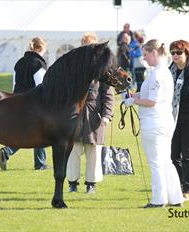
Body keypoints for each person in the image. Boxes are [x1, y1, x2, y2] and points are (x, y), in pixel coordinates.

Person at [124, 39, 183, 208]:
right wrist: (134, 97)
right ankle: (175, 198)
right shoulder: (161, 71)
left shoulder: (158, 73)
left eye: (145, 54)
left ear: (154, 52)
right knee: (166, 161)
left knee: (156, 162)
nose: (144, 58)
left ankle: (158, 199)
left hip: (154, 123)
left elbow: (151, 101)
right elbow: (147, 94)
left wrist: (133, 102)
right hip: (163, 122)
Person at [66, 32, 114, 194]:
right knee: (73, 151)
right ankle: (72, 183)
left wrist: (107, 115)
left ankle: (91, 185)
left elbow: (108, 95)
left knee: (93, 152)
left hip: (95, 117)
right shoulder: (73, 68)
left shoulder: (103, 69)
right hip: (75, 116)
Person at [0, 37, 49, 171]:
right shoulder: (39, 64)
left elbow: (14, 85)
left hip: (18, 101)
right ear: (41, 48)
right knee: (41, 133)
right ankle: (39, 163)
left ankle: (8, 151)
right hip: (34, 103)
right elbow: (41, 87)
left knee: (27, 132)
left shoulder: (19, 63)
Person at [169, 40, 189, 199]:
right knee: (173, 155)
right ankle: (179, 185)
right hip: (173, 118)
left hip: (188, 117)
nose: (175, 55)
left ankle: (187, 189)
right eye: (173, 52)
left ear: (186, 53)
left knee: (186, 154)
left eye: (178, 52)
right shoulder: (170, 71)